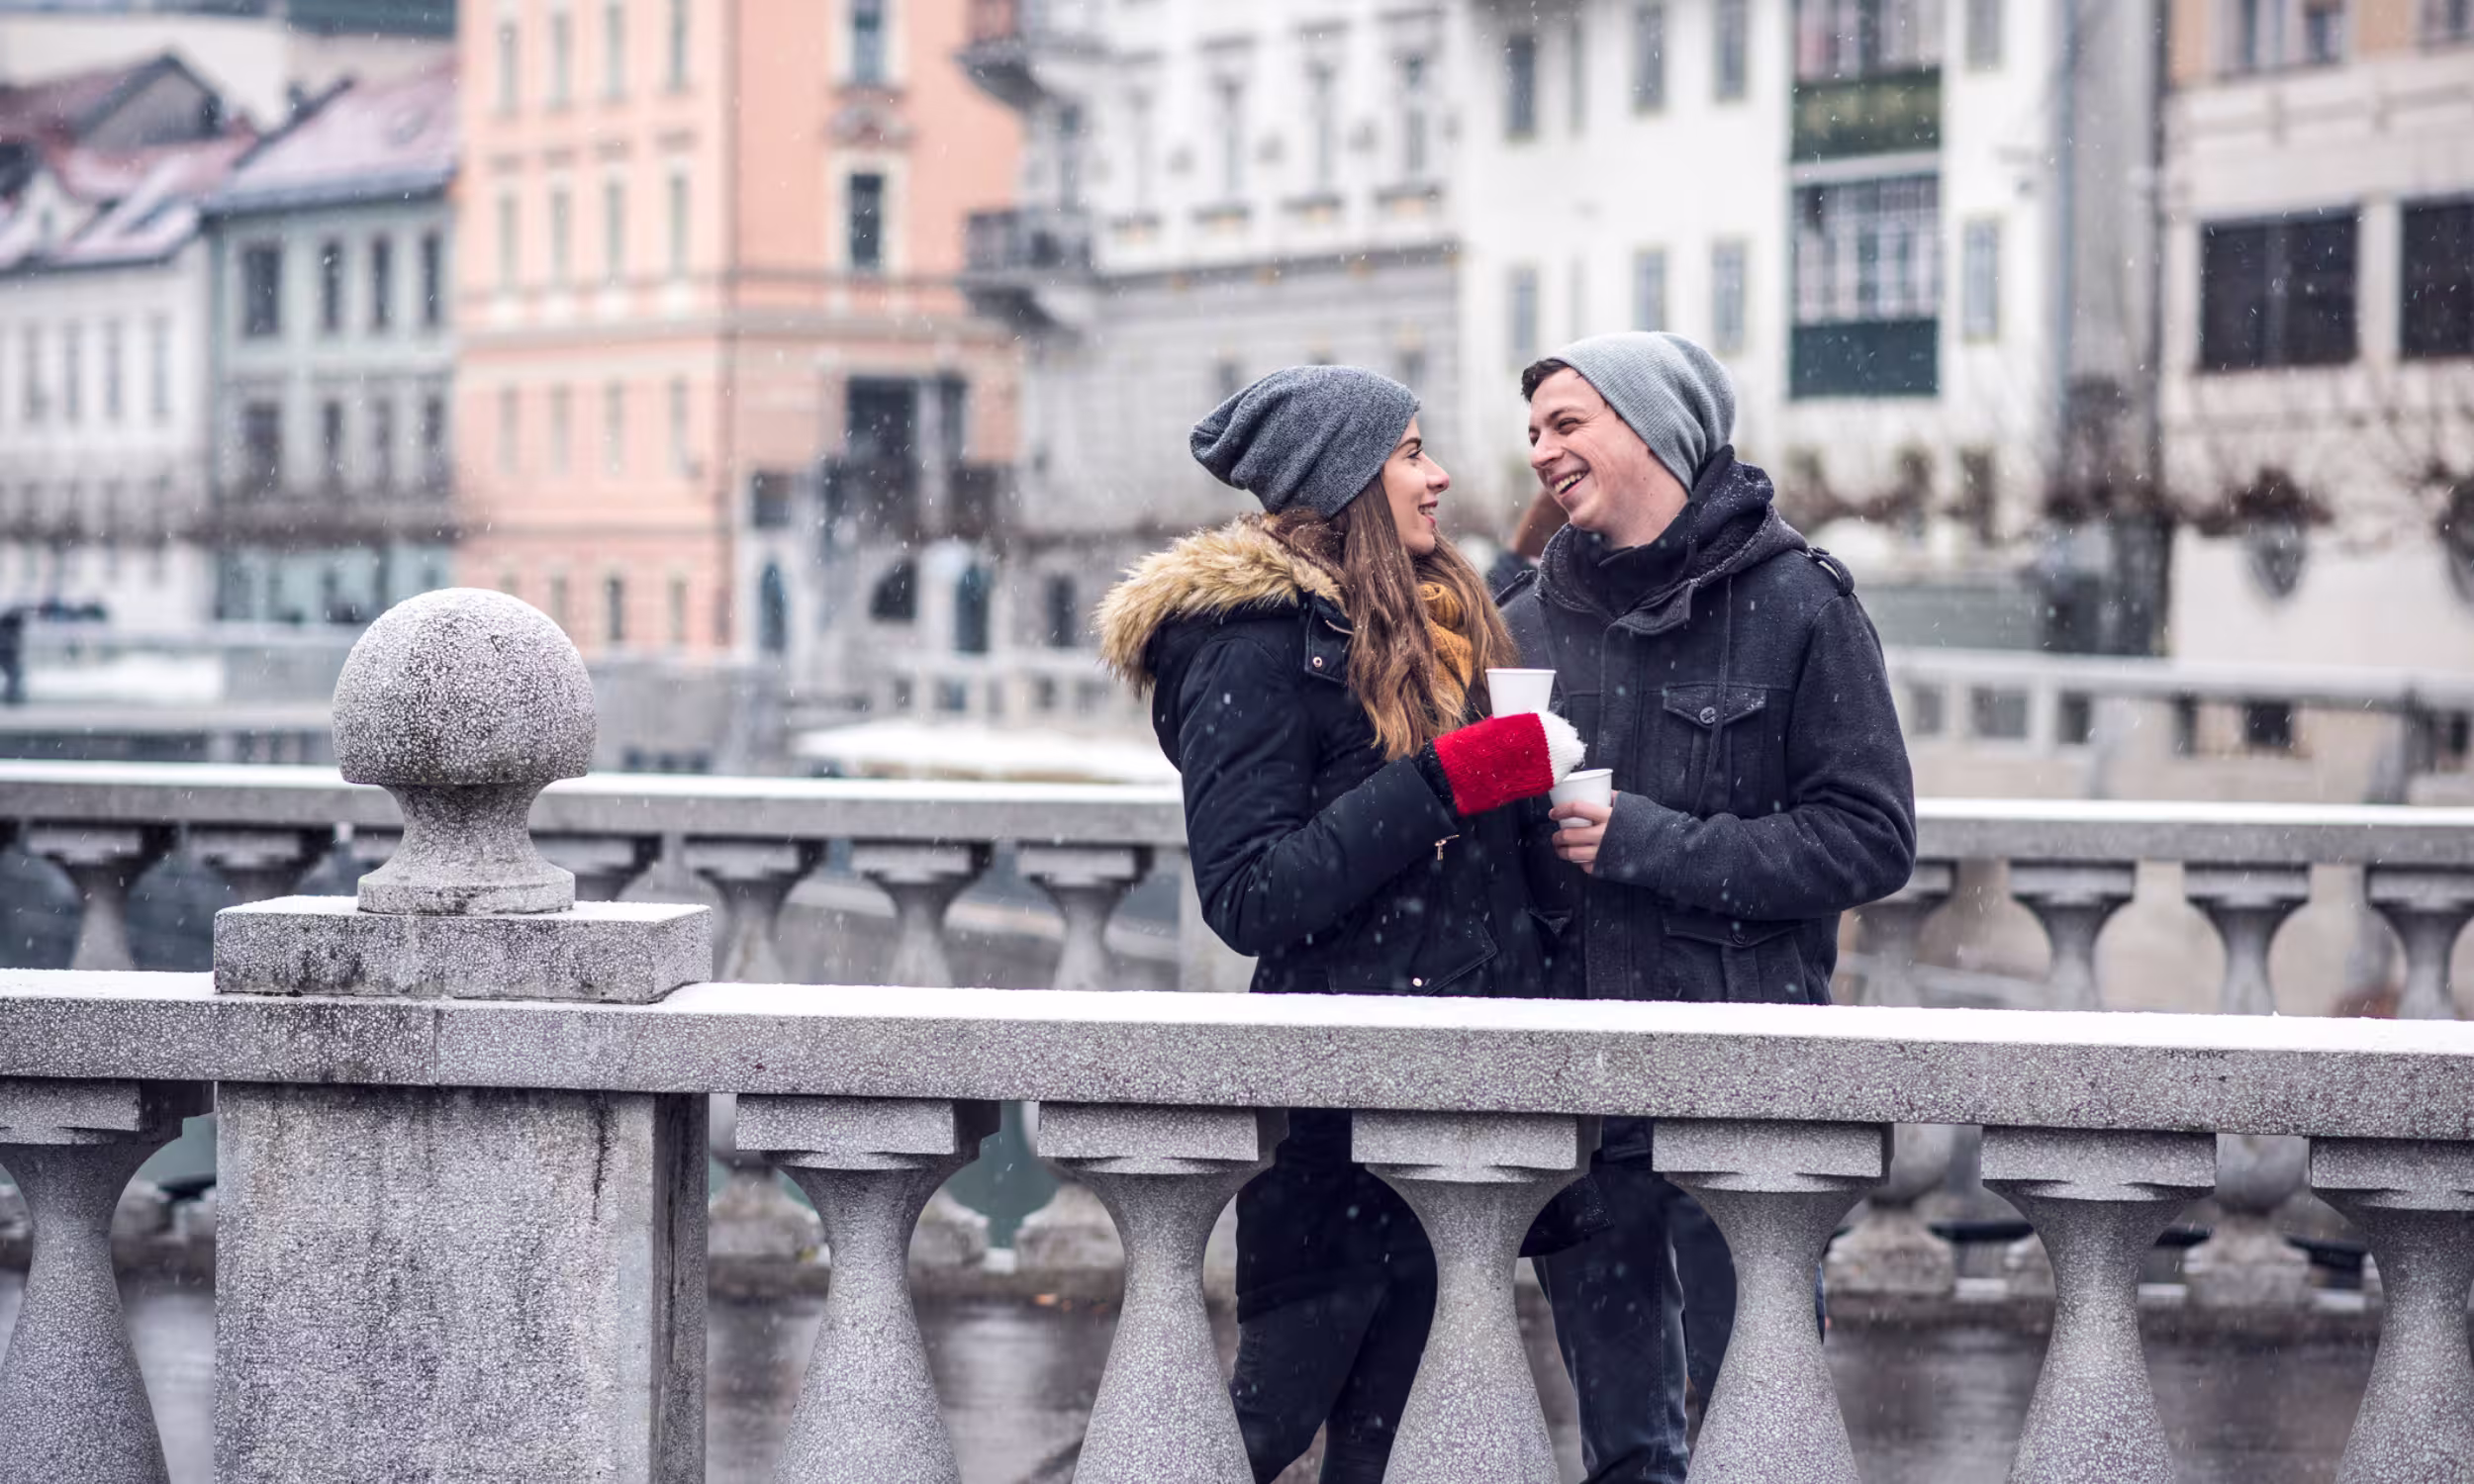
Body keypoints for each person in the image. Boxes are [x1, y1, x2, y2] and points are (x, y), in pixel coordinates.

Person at [1097, 365, 1588, 1484]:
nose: (1440, 474)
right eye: (1411, 452)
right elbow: (1251, 894)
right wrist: (1448, 781)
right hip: (1335, 1117)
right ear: (1348, 478)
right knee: (1262, 1430)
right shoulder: (1246, 642)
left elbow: (1462, 869)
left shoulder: (1434, 622)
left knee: (1385, 1450)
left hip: (1451, 1103)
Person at [1499, 332, 1918, 1484]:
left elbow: (1871, 839)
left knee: (1761, 1429)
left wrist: (1648, 841)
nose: (1539, 451)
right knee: (1625, 1450)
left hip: (1744, 1081)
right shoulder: (1522, 621)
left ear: (1653, 428)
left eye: (1566, 423)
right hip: (1581, 1090)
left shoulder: (1801, 604)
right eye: (1532, 431)